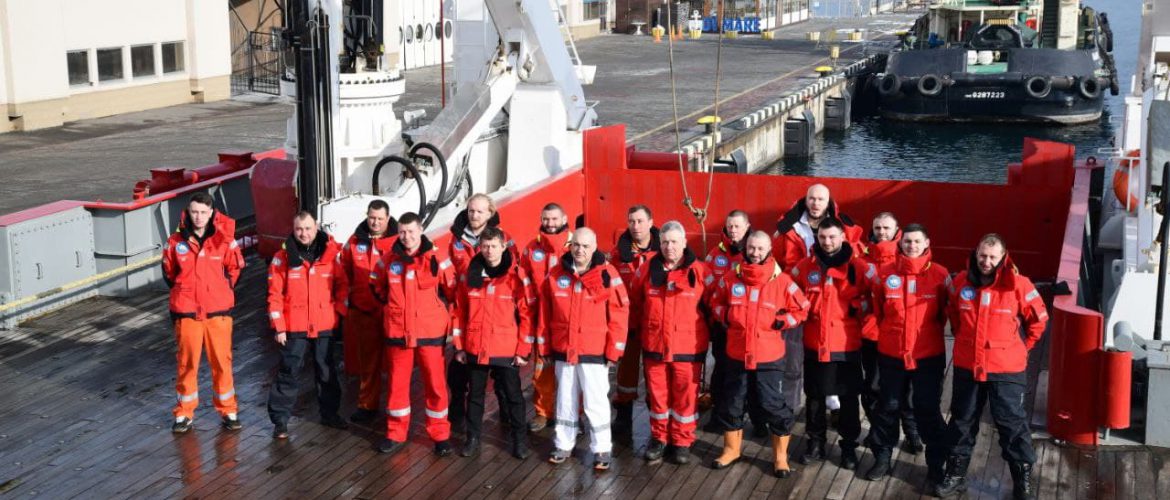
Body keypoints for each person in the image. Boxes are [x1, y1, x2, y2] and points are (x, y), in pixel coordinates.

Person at [936, 234, 1048, 500]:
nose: (986, 262)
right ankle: (955, 475)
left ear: (1003, 258)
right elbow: (954, 315)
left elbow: (1039, 321)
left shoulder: (1019, 285)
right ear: (976, 254)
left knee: (1011, 423)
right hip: (968, 365)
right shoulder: (960, 282)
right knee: (962, 421)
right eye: (982, 256)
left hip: (1006, 368)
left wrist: (1022, 348)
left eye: (992, 257)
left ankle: (1022, 481)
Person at [709, 231, 810, 478]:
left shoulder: (783, 281)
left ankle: (780, 457)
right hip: (737, 353)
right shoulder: (731, 278)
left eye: (760, 248)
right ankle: (731, 450)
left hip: (769, 356)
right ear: (746, 248)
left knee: (772, 403)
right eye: (751, 248)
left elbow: (803, 308)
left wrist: (784, 321)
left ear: (769, 250)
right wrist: (726, 316)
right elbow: (716, 302)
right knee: (733, 401)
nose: (755, 253)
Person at [863, 224, 950, 485]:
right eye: (908, 242)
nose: (912, 246)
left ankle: (936, 464)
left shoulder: (940, 275)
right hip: (892, 353)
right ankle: (882, 457)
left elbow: (946, 313)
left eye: (917, 241)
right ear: (901, 243)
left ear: (927, 243)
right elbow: (878, 310)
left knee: (927, 408)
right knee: (887, 406)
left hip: (927, 355)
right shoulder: (884, 275)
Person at [538, 227, 629, 470]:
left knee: (595, 400)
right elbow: (544, 313)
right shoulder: (556, 274)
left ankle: (602, 448)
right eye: (576, 245)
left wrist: (614, 350)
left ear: (595, 247)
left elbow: (619, 313)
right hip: (564, 348)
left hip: (594, 350)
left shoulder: (607, 274)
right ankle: (563, 444)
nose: (580, 250)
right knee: (565, 399)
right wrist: (544, 347)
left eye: (586, 246)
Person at [790, 217, 874, 470]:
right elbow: (789, 293)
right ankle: (815, 443)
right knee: (814, 396)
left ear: (843, 238)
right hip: (815, 341)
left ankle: (848, 447)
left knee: (849, 398)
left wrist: (858, 306)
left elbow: (876, 298)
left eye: (832, 237)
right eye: (822, 237)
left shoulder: (859, 268)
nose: (827, 242)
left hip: (846, 343)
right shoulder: (804, 267)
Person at [370, 212, 457, 456]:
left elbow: (452, 289)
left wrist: (441, 315)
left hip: (430, 332)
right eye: (402, 232)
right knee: (397, 385)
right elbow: (375, 284)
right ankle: (395, 433)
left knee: (436, 385)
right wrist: (391, 307)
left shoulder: (437, 258)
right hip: (398, 332)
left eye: (411, 231)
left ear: (420, 231)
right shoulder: (388, 260)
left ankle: (440, 435)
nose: (406, 237)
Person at [772, 185, 863, 415]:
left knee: (830, 357)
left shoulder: (842, 225)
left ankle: (834, 406)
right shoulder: (788, 227)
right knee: (793, 361)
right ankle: (790, 409)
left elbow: (855, 257)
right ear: (805, 200)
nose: (815, 203)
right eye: (812, 198)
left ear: (828, 201)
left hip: (831, 299)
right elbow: (775, 262)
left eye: (821, 199)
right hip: (796, 296)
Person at [629, 221, 713, 465]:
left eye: (674, 242)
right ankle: (659, 438)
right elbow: (635, 303)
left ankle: (682, 441)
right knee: (658, 396)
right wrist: (638, 332)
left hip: (688, 347)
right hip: (655, 345)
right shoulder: (646, 270)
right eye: (665, 242)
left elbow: (712, 305)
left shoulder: (700, 271)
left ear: (684, 243)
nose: (669, 247)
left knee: (685, 396)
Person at [161, 192, 245, 433]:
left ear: (211, 214)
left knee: (222, 362)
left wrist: (220, 291)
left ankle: (228, 410)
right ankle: (184, 412)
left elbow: (236, 268)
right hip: (187, 312)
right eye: (194, 212)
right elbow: (169, 272)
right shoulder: (175, 242)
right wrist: (185, 292)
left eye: (203, 213)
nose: (198, 217)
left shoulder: (224, 240)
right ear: (188, 213)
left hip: (218, 312)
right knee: (187, 364)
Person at [451, 227, 535, 459]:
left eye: (494, 246)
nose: (489, 251)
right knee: (475, 396)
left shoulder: (516, 276)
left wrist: (523, 351)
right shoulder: (470, 275)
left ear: (503, 247)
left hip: (506, 348)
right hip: (476, 346)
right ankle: (472, 439)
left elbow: (527, 315)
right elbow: (459, 312)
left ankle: (519, 441)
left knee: (513, 396)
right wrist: (459, 346)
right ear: (480, 247)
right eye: (485, 246)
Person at [266, 212, 350, 439]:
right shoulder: (282, 259)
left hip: (324, 323)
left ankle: (330, 414)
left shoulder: (331, 255)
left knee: (326, 370)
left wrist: (339, 312)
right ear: (293, 230)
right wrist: (278, 326)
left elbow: (343, 286)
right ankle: (280, 421)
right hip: (294, 326)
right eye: (299, 229)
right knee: (289, 371)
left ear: (316, 228)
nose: (303, 233)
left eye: (308, 228)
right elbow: (274, 295)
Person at [447, 194, 518, 433]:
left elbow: (513, 271)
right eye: (471, 211)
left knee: (501, 372)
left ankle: (506, 414)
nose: (474, 215)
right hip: (468, 305)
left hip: (495, 308)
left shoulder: (503, 238)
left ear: (490, 213)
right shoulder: (457, 239)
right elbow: (453, 270)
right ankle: (457, 413)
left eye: (479, 211)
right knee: (458, 369)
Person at [704, 210, 768, 436]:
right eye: (729, 226)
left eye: (737, 226)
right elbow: (708, 289)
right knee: (722, 373)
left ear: (747, 226)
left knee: (754, 376)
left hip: (751, 328)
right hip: (724, 326)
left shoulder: (757, 253)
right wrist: (717, 317)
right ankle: (720, 417)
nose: (733, 230)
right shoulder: (715, 255)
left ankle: (759, 421)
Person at [860, 212, 920, 453]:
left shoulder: (907, 257)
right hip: (872, 334)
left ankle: (912, 433)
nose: (881, 232)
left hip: (903, 336)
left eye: (886, 228)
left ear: (897, 230)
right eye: (877, 228)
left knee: (908, 389)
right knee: (873, 387)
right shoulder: (861, 260)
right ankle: (878, 431)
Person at [339, 200, 398, 424]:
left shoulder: (398, 242)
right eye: (372, 217)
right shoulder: (354, 242)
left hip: (391, 313)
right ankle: (367, 405)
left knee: (396, 364)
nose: (375, 222)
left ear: (388, 218)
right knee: (368, 364)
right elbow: (343, 272)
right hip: (364, 311)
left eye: (380, 219)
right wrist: (348, 303)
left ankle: (396, 408)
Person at [519, 203, 574, 432]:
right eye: (546, 219)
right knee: (542, 366)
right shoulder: (532, 248)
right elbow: (522, 279)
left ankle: (573, 414)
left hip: (568, 315)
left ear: (564, 219)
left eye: (554, 219)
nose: (550, 224)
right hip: (541, 314)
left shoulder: (575, 245)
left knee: (571, 368)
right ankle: (543, 412)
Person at [612, 205, 660, 435]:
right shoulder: (618, 255)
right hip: (628, 322)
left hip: (654, 323)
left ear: (651, 222)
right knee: (626, 372)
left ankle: (657, 420)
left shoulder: (664, 251)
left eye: (640, 221)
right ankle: (623, 415)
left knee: (655, 372)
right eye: (632, 221)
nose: (636, 226)